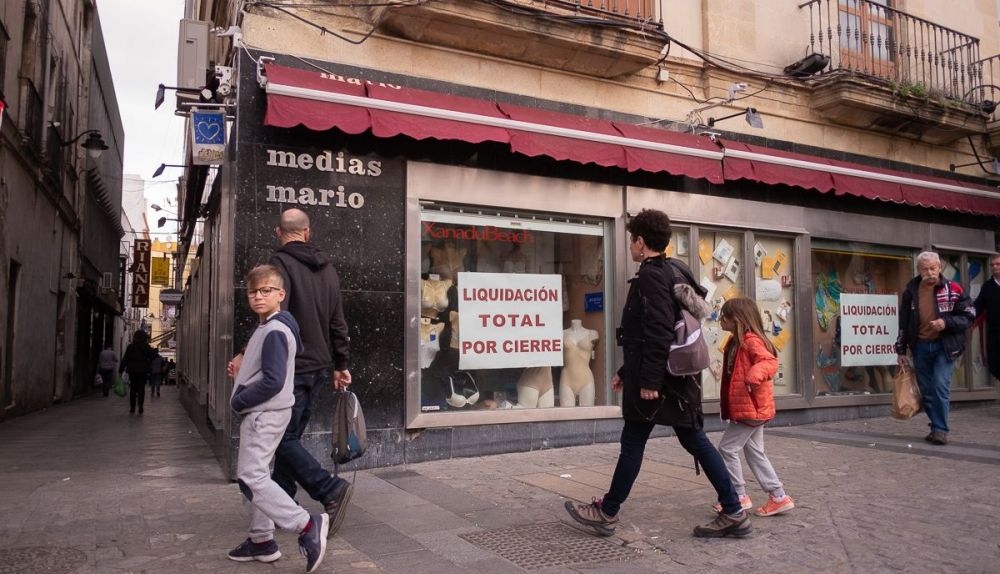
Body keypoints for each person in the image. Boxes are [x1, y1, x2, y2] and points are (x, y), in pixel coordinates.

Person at [565, 209, 751, 539]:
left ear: (640, 241)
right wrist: (627, 370)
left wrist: (649, 381)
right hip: (676, 379)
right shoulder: (674, 269)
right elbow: (652, 332)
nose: (630, 246)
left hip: (661, 382)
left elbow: (660, 330)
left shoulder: (652, 275)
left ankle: (608, 511)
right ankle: (733, 509)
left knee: (636, 440)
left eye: (631, 240)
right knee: (691, 439)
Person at [229, 208, 354, 538]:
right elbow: (337, 322)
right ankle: (281, 503)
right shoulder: (329, 270)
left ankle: (329, 489)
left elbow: (272, 314)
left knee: (282, 439)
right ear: (307, 232)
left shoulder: (278, 265)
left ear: (277, 232)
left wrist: (245, 353)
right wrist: (341, 364)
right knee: (289, 438)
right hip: (318, 367)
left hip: (289, 368)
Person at [227, 265, 329, 571]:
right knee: (255, 476)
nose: (258, 296)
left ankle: (306, 525)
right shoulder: (270, 327)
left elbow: (273, 381)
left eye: (266, 290)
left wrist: (239, 400)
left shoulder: (274, 330)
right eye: (253, 292)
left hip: (264, 414)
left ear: (281, 294)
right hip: (267, 413)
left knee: (252, 477)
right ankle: (261, 541)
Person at [715, 297, 794, 517]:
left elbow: (769, 362)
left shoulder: (751, 341)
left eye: (724, 316)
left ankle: (738, 496)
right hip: (751, 408)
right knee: (755, 451)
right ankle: (778, 496)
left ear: (737, 319)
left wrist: (754, 375)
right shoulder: (736, 341)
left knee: (727, 449)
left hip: (751, 409)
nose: (720, 320)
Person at [896, 251, 975, 445]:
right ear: (918, 270)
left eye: (933, 268)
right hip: (921, 346)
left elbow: (969, 315)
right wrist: (900, 350)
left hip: (945, 346)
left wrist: (946, 322)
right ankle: (936, 426)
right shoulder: (911, 291)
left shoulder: (954, 289)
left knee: (940, 384)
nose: (929, 272)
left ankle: (940, 430)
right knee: (926, 390)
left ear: (939, 267)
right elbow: (903, 322)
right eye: (925, 269)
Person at [973, 253, 1000, 381]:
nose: (994, 267)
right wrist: (962, 318)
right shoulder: (987, 287)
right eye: (992, 265)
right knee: (996, 368)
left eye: (998, 264)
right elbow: (977, 307)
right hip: (995, 335)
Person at [119, 330, 155, 414]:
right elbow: (152, 358)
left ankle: (132, 407)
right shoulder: (147, 347)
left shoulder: (131, 347)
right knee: (141, 388)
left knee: (133, 388)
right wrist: (148, 364)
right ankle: (140, 405)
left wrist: (120, 370)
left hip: (133, 370)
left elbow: (125, 359)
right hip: (143, 370)